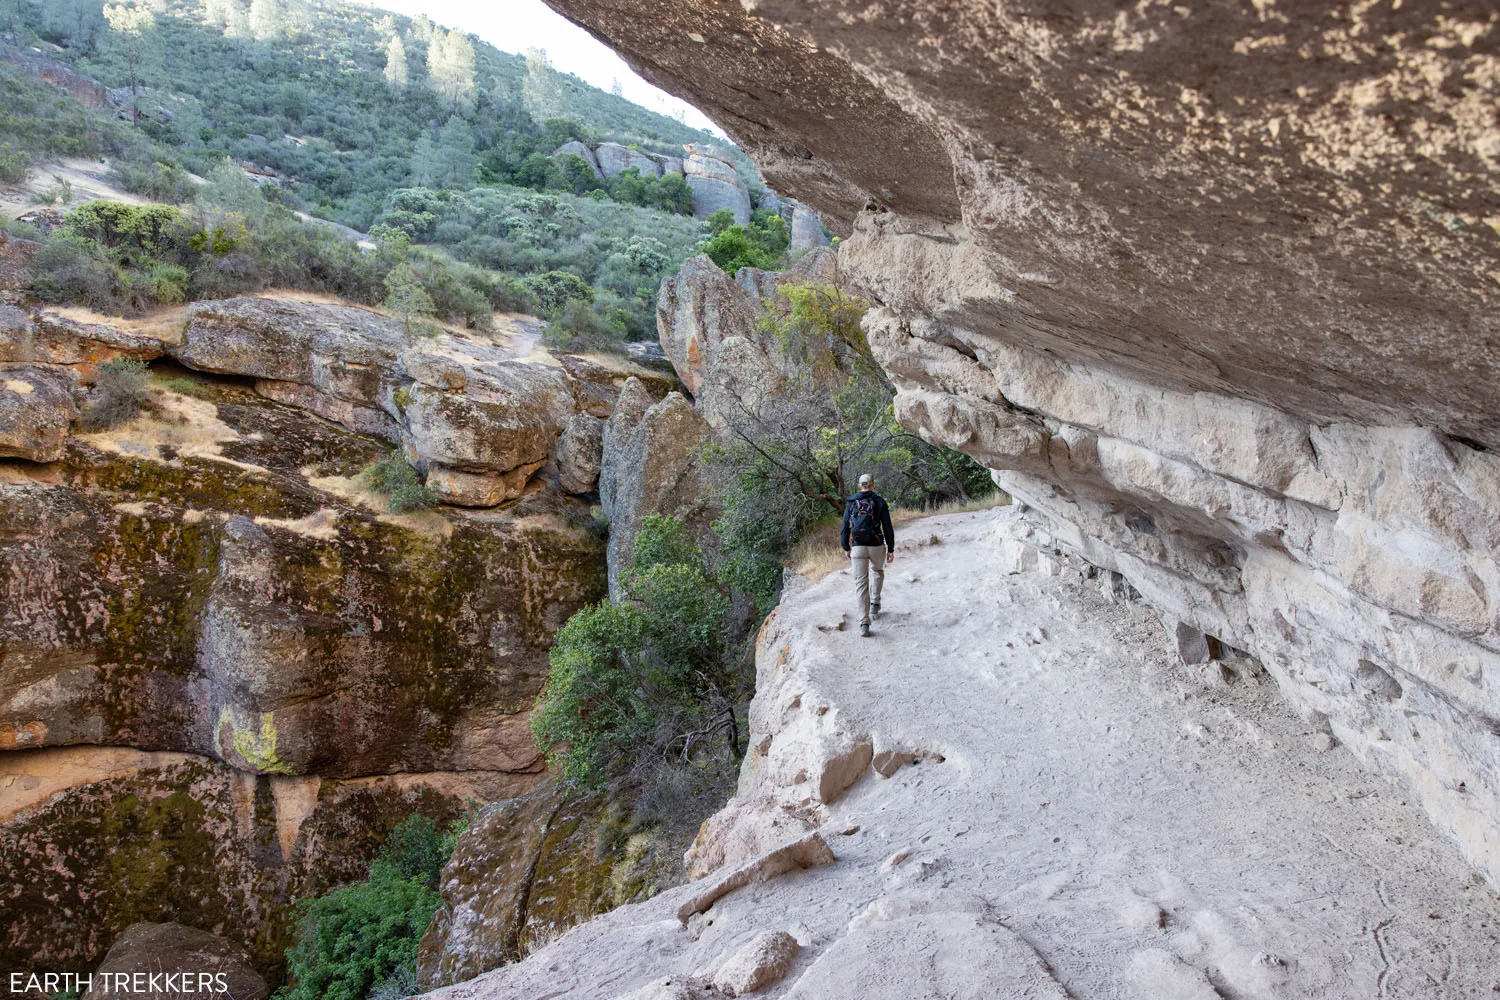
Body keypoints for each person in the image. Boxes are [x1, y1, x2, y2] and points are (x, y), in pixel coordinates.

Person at [841, 473, 895, 637]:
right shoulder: (879, 502)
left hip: (857, 547)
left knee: (861, 584)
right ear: (873, 485)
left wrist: (846, 546)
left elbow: (845, 527)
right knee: (878, 572)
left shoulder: (851, 502)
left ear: (860, 486)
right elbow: (887, 526)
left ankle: (864, 622)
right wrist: (890, 548)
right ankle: (875, 603)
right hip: (876, 545)